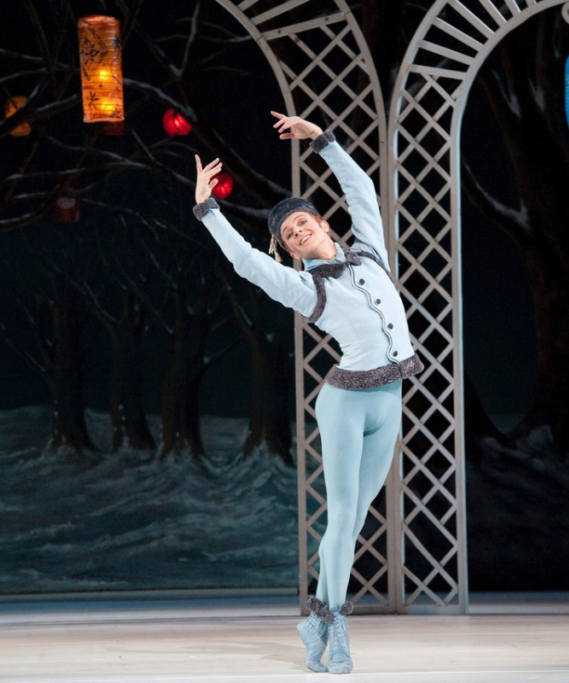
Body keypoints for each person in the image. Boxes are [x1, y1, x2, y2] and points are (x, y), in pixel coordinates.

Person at [193, 111, 423, 675]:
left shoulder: (370, 252)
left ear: (322, 224)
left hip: (388, 399)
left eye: (303, 224)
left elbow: (362, 189)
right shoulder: (304, 289)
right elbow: (247, 262)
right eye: (290, 236)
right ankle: (336, 622)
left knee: (356, 517)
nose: (299, 234)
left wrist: (323, 141)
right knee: (342, 515)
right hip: (344, 402)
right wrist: (207, 209)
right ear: (291, 251)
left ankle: (314, 621)